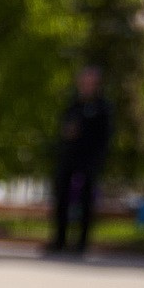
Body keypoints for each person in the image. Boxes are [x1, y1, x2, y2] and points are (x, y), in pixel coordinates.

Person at [48, 65, 111, 256]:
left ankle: (82, 243)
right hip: (69, 157)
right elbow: (64, 128)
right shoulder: (73, 104)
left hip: (89, 159)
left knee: (86, 201)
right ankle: (60, 240)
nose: (85, 85)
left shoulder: (103, 107)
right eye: (83, 81)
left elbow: (105, 136)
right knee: (62, 197)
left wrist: (97, 158)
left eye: (89, 82)